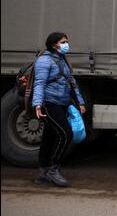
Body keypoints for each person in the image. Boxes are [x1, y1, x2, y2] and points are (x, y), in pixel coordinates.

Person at [33, 32, 86, 187]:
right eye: (63, 42)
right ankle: (53, 169)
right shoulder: (44, 60)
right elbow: (39, 83)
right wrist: (37, 104)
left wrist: (80, 102)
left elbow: (72, 82)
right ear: (53, 44)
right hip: (48, 103)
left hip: (61, 103)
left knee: (49, 137)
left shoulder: (62, 60)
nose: (66, 45)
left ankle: (43, 172)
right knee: (65, 134)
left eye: (66, 42)